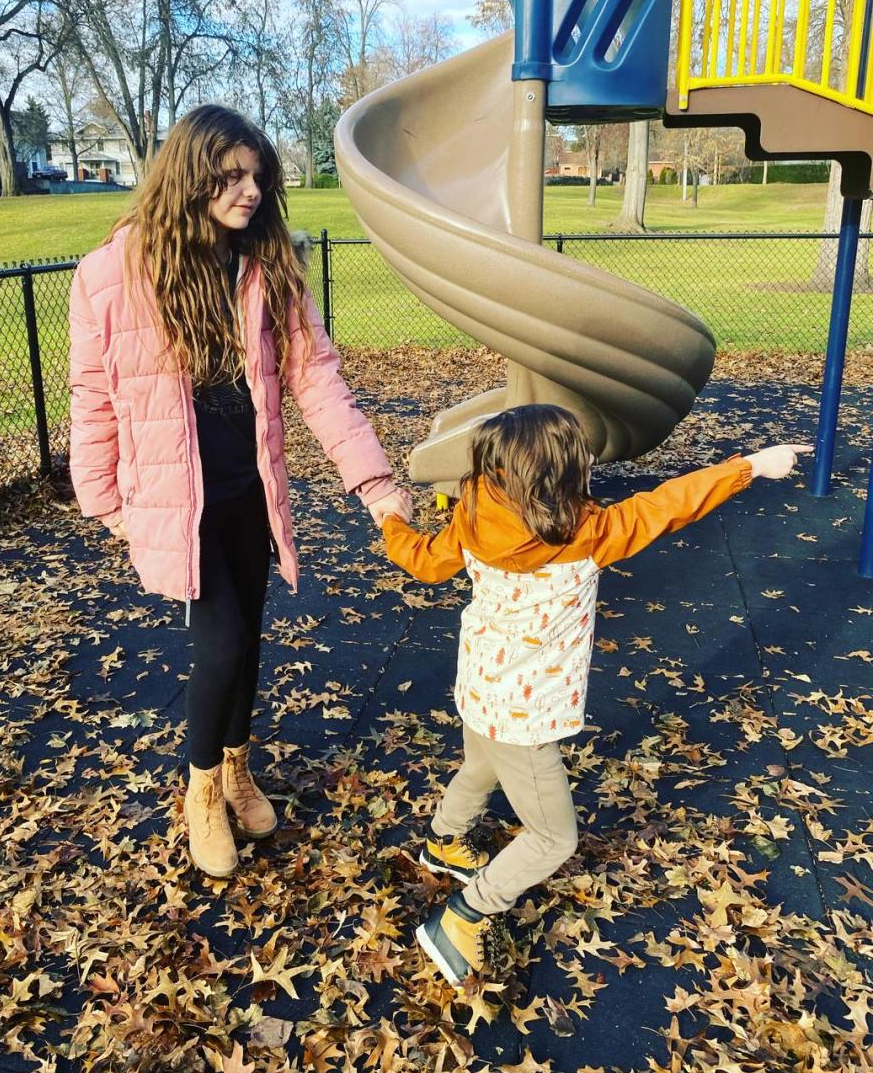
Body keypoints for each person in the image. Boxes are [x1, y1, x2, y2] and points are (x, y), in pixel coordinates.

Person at [68, 105, 411, 880]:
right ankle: (198, 793)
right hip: (174, 498)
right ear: (190, 176)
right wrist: (105, 501)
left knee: (248, 641)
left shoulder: (268, 263)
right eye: (230, 175)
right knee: (217, 644)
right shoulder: (111, 274)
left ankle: (235, 769)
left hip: (249, 488)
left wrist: (375, 482)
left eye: (258, 175)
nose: (249, 189)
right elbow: (92, 394)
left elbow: (315, 377)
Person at [382, 404, 809, 986]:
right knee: (554, 838)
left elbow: (424, 563)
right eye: (582, 454)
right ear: (560, 476)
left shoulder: (476, 512)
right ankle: (466, 914)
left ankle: (443, 844)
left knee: (479, 766)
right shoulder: (590, 535)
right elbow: (669, 505)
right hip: (526, 716)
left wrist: (391, 521)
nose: (590, 459)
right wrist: (752, 466)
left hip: (480, 685)